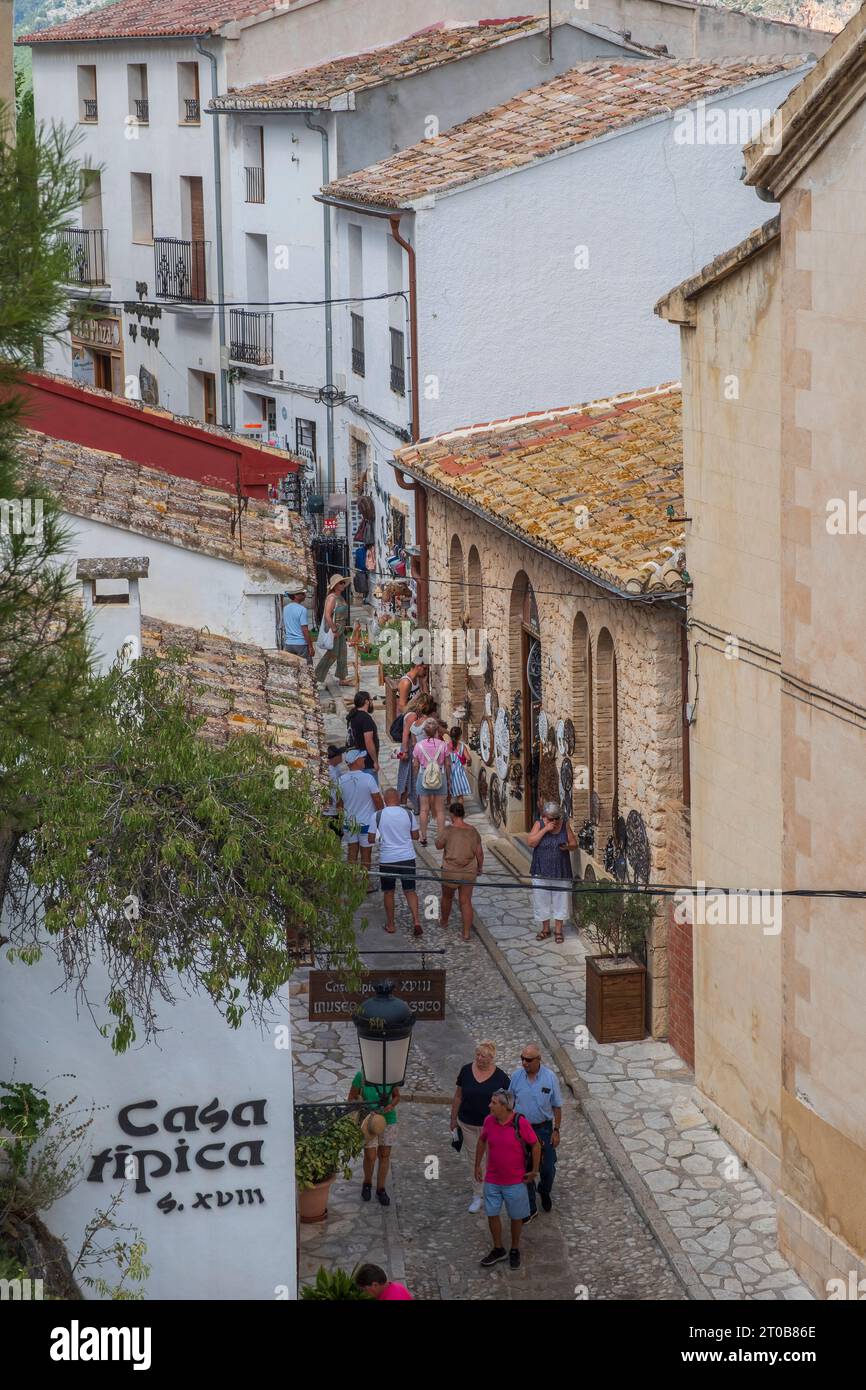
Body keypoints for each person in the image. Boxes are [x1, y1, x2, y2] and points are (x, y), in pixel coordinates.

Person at [474, 1089, 540, 1270]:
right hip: (493, 1180)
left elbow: (535, 1144)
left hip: (515, 1182)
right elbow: (482, 1140)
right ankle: (498, 1248)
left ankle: (515, 1249)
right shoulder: (489, 1121)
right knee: (492, 1214)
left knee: (516, 1217)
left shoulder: (520, 1123)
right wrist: (477, 1165)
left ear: (505, 1106)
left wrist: (534, 1170)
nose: (489, 1105)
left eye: (494, 1103)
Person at [450, 1042, 510, 1212]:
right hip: (468, 1123)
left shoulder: (501, 1078)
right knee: (474, 1159)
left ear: (491, 1058)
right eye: (477, 1054)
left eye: (483, 1056)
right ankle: (478, 1195)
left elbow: (508, 1103)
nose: (479, 1058)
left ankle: (491, 1190)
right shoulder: (466, 1071)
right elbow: (458, 1096)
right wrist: (453, 1119)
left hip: (490, 1126)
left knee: (491, 1158)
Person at [509, 1044, 563, 1218]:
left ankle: (544, 1190)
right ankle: (531, 1205)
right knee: (524, 1167)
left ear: (538, 1060)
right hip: (521, 1128)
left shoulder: (549, 1078)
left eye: (528, 1060)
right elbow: (510, 1101)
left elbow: (557, 1106)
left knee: (548, 1167)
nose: (524, 1062)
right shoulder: (516, 1077)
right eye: (522, 1058)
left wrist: (556, 1130)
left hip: (543, 1129)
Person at [369, 788, 423, 937]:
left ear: (385, 800)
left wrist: (383, 838)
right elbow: (415, 836)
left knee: (388, 892)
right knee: (410, 890)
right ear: (398, 799)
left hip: (388, 859)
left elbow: (370, 839)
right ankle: (416, 921)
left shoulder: (377, 816)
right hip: (407, 858)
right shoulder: (408, 814)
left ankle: (391, 924)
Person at [527, 799, 577, 943]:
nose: (554, 821)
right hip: (541, 869)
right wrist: (545, 829)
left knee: (561, 899)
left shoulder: (564, 826)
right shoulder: (538, 824)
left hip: (560, 870)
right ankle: (545, 929)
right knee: (541, 900)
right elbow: (531, 842)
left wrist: (567, 847)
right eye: (551, 818)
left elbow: (574, 844)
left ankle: (558, 930)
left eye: (556, 818)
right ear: (544, 817)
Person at [347, 1071, 399, 1207]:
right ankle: (367, 1183)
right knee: (370, 1155)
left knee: (384, 1155)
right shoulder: (361, 1075)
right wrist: (363, 1106)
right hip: (368, 1120)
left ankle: (381, 1189)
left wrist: (391, 1105)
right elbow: (351, 1097)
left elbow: (396, 1097)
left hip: (388, 1119)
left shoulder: (390, 1075)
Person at [436, 802, 483, 941]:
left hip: (450, 870)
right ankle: (466, 933)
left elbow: (438, 845)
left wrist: (440, 834)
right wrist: (480, 867)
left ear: (452, 814)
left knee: (447, 897)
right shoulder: (473, 831)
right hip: (468, 871)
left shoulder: (448, 830)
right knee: (466, 901)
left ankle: (444, 921)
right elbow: (479, 853)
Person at [340, 748, 384, 889]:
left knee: (352, 853)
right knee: (366, 855)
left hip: (349, 824)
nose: (364, 760)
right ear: (356, 761)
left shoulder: (341, 780)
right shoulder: (368, 779)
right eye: (362, 758)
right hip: (366, 823)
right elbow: (377, 800)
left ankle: (352, 882)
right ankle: (366, 884)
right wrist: (380, 818)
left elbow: (339, 804)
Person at [413, 718, 449, 845]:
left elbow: (416, 765)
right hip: (440, 777)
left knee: (424, 809)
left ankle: (423, 836)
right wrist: (448, 779)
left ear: (424, 731)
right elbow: (447, 764)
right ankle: (440, 837)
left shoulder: (419, 746)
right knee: (440, 810)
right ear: (437, 730)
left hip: (423, 777)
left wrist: (415, 777)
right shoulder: (443, 745)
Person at [397, 693, 436, 807]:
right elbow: (405, 734)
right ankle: (404, 803)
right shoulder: (413, 716)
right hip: (408, 748)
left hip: (410, 748)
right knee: (407, 776)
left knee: (407, 776)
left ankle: (406, 802)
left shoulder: (411, 714)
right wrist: (404, 751)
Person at [314, 574, 353, 686]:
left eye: (343, 582)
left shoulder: (340, 597)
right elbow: (327, 615)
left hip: (340, 629)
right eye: (341, 583)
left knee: (342, 653)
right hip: (335, 629)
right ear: (335, 585)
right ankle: (316, 677)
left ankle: (342, 678)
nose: (343, 584)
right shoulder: (332, 598)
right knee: (332, 654)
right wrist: (334, 629)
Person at [346, 689, 380, 779]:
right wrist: (375, 761)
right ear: (366, 702)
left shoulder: (352, 716)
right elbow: (368, 742)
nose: (372, 702)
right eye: (371, 700)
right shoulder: (366, 719)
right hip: (366, 762)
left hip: (355, 761)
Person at [282, 584, 314, 660]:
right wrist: (310, 646)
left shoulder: (285, 608)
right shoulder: (302, 609)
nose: (305, 595)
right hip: (301, 644)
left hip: (288, 644)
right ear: (296, 596)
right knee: (306, 669)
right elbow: (305, 630)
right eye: (302, 594)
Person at [445, 726, 471, 803]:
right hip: (459, 773)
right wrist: (468, 763)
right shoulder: (462, 746)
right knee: (460, 795)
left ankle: (449, 805)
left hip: (448, 772)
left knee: (449, 791)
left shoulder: (446, 746)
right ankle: (460, 812)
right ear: (460, 736)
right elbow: (468, 758)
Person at [324, 744, 344, 837]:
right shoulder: (330, 771)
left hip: (336, 807)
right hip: (331, 809)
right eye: (339, 754)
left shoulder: (336, 767)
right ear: (335, 757)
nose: (341, 756)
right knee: (336, 832)